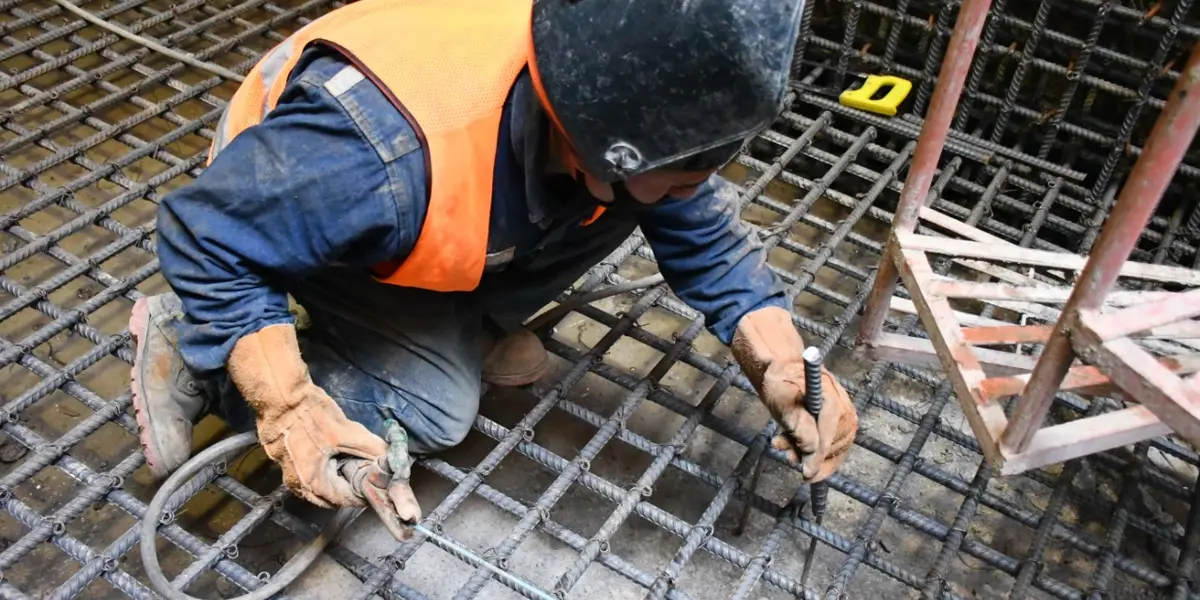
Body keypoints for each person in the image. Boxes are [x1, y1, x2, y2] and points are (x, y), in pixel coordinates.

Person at [131, 0, 859, 528]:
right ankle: (196, 349)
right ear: (611, 136)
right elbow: (205, 229)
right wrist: (286, 405)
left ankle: (456, 322)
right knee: (434, 407)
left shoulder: (601, 74)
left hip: (395, 189)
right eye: (690, 167)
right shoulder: (378, 162)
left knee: (644, 198)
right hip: (275, 199)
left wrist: (782, 362)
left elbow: (697, 224)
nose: (703, 182)